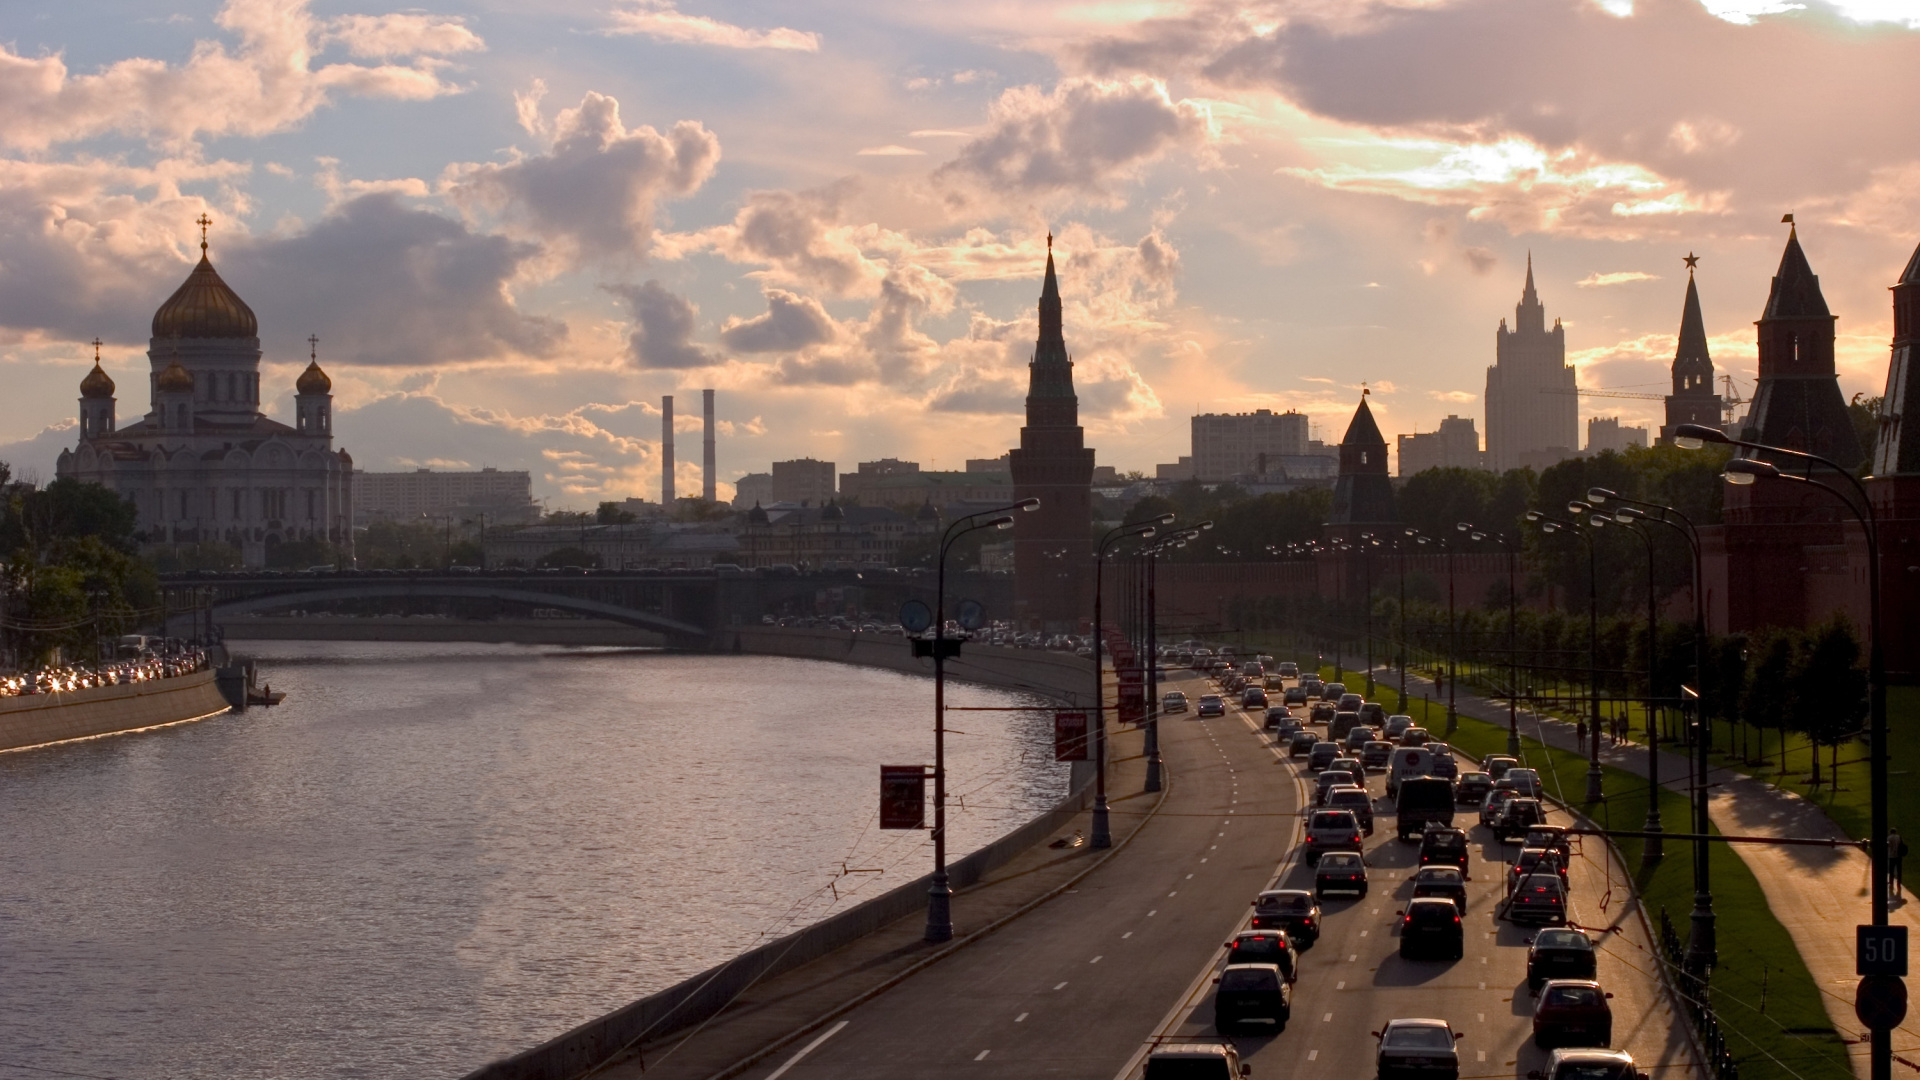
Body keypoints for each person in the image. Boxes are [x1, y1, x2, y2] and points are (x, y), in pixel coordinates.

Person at [1891, 829, 1909, 899]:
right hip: (1898, 857)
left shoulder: (1889, 838)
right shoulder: (1899, 837)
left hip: (1891, 856)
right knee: (1899, 871)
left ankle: (1891, 882)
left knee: (1891, 870)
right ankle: (1899, 884)